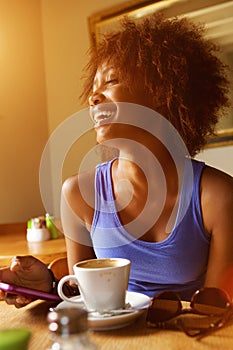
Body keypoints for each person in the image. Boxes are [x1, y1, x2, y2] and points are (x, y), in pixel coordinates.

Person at [0, 13, 232, 308]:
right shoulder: (78, 195)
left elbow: (217, 310)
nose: (93, 98)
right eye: (93, 87)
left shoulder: (216, 197)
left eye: (111, 81)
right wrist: (48, 283)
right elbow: (85, 301)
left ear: (161, 91)